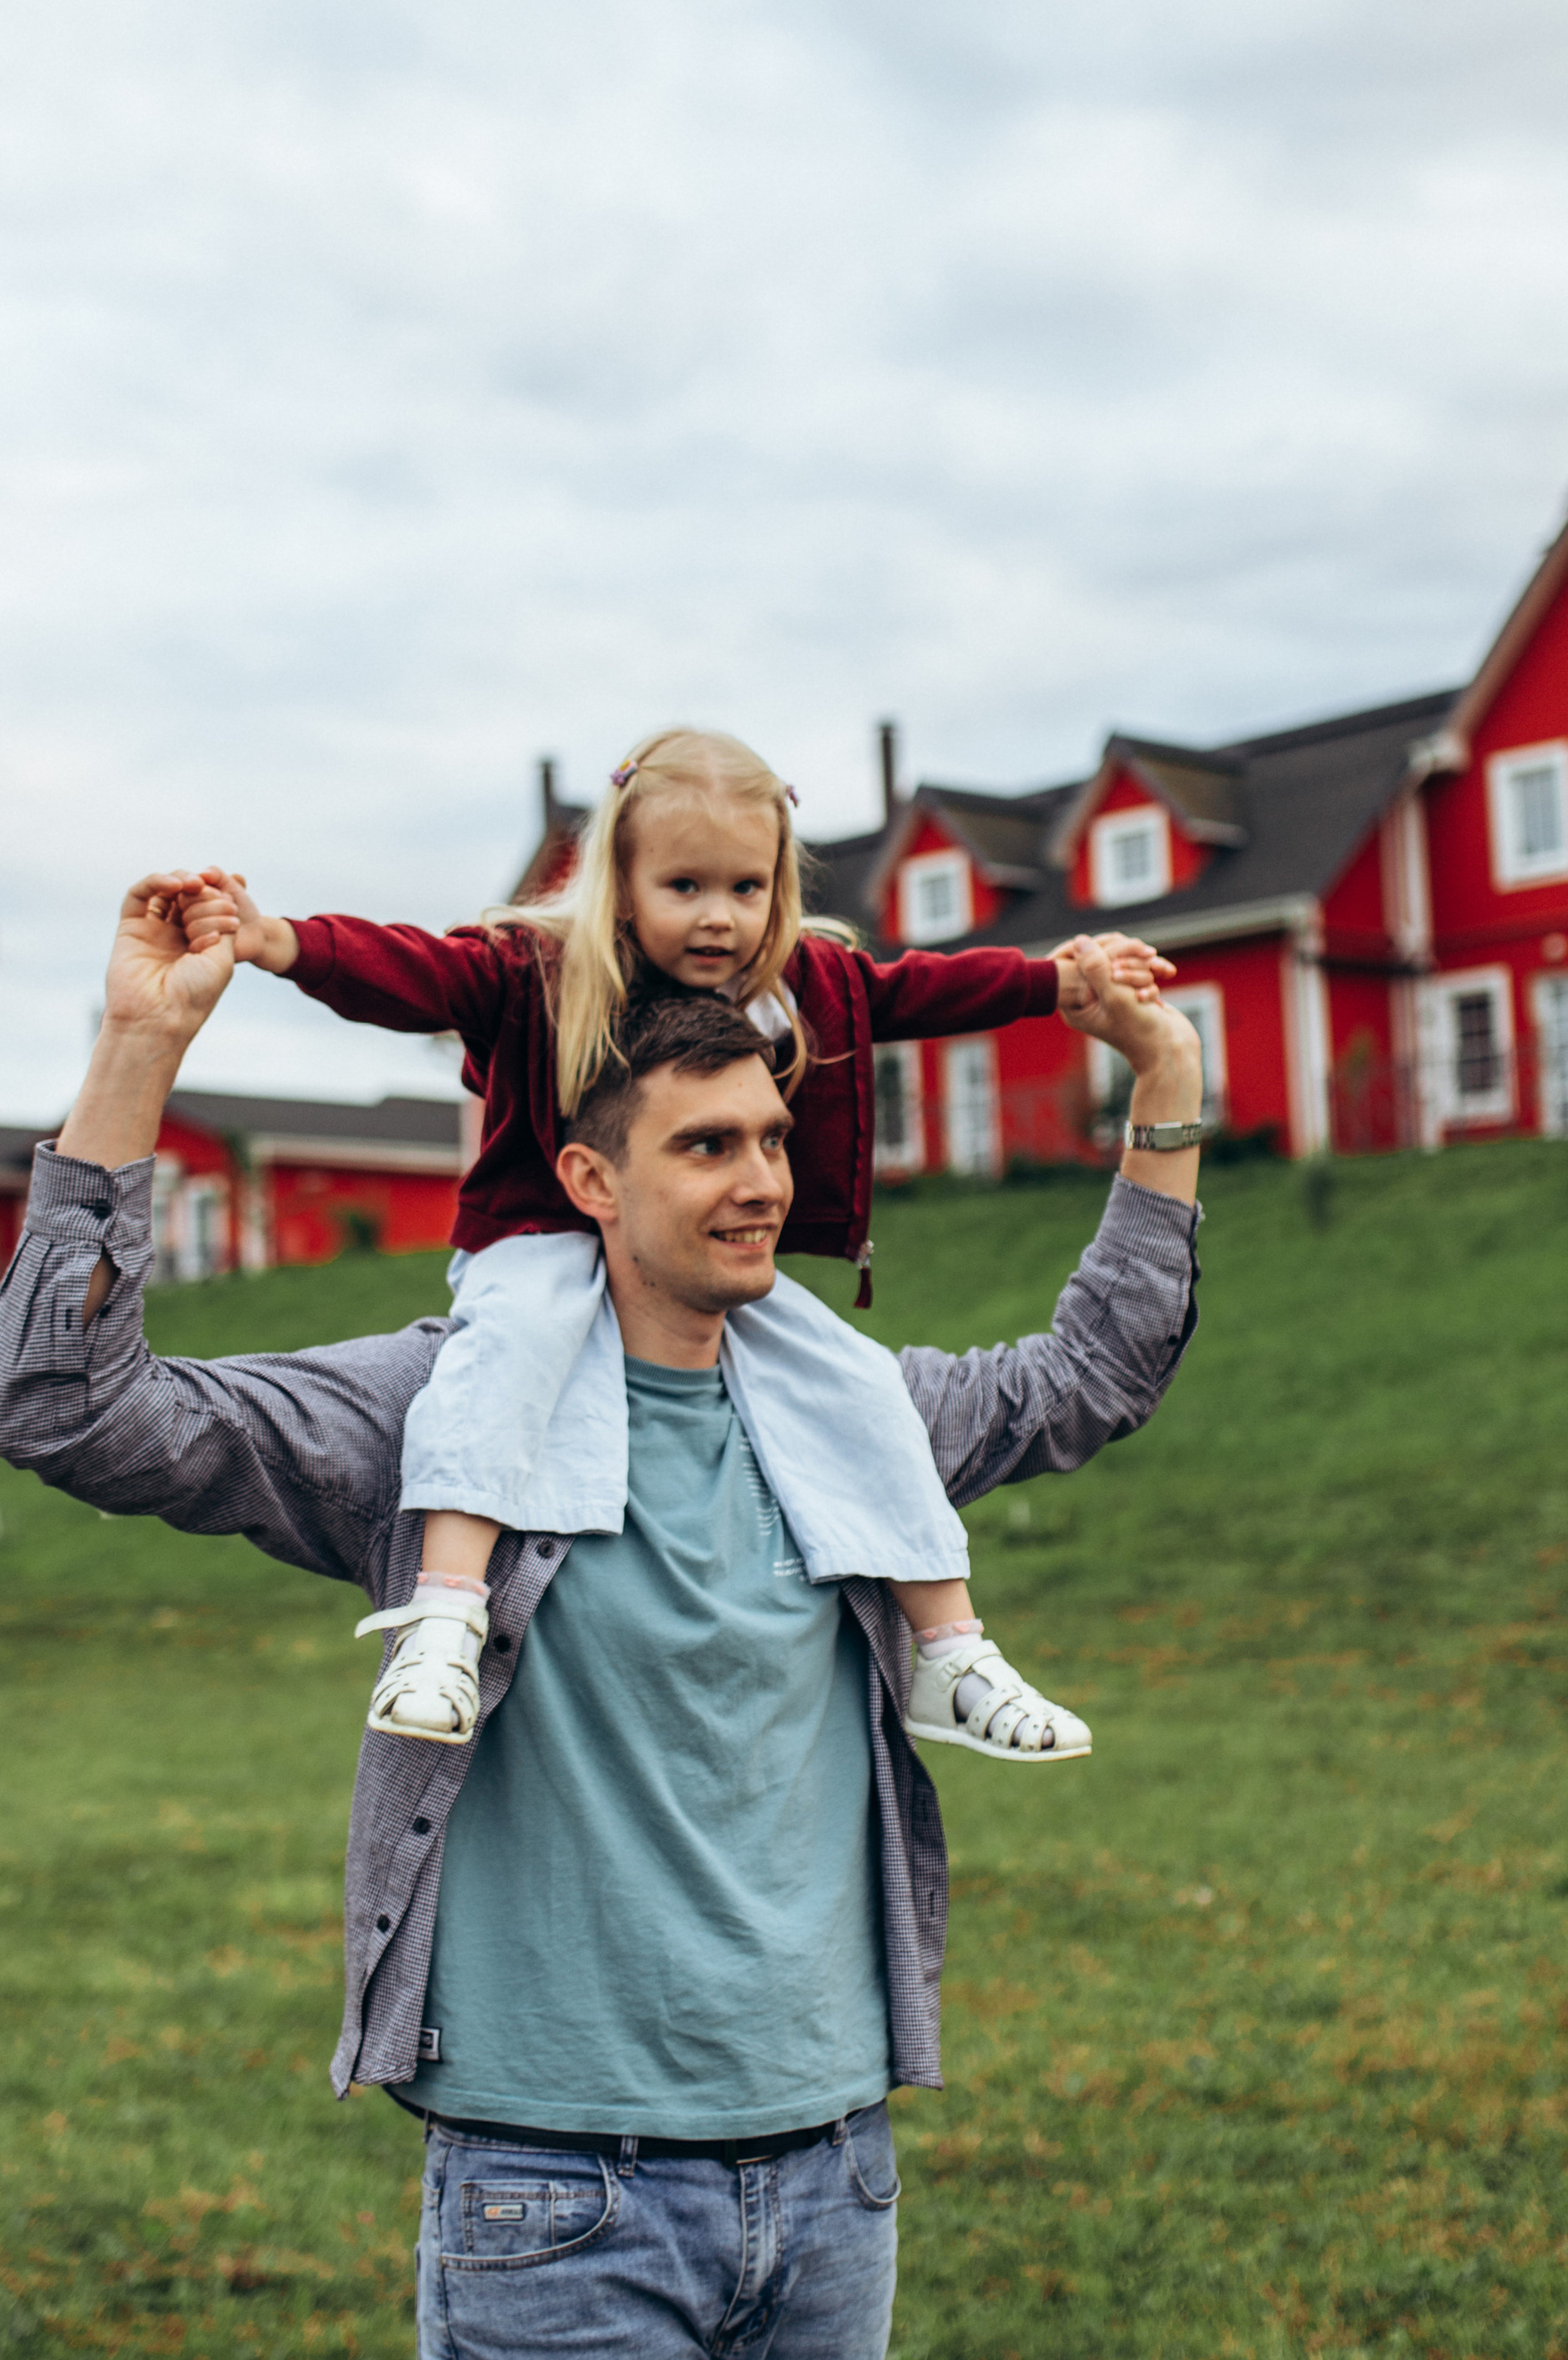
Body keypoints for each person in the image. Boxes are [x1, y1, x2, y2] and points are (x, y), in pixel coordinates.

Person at [0, 873, 1203, 2360]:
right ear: (582, 1174)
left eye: (772, 1139)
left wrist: (1162, 1100)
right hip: (559, 2208)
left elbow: (1089, 1378)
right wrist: (142, 1047)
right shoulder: (440, 1414)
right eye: (702, 1145)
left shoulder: (853, 1419)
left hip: (829, 2192)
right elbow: (72, 1411)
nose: (755, 1180)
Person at [169, 726, 1167, 1766]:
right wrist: (277, 940)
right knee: (502, 1360)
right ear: (623, 883)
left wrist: (1051, 983)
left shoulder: (798, 984)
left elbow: (912, 990)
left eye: (745, 888)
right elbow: (416, 973)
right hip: (540, 1235)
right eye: (684, 885)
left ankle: (950, 1648)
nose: (717, 917)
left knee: (854, 1383)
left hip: (695, 1261)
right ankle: (445, 1616)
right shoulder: (542, 970)